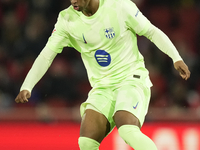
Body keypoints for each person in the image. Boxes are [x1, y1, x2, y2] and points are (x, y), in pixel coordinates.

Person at [15, 0, 191, 149]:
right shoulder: (67, 19)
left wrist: (176, 58)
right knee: (85, 142)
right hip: (102, 88)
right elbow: (47, 54)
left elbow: (151, 31)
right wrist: (27, 86)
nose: (73, 1)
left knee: (127, 130)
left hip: (131, 80)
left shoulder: (120, 6)